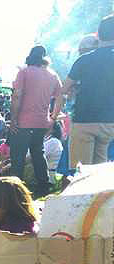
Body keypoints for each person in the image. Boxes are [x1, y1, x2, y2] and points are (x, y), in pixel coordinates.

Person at [53, 14, 114, 168]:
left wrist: (75, 90)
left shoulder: (84, 60)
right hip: (109, 122)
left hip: (84, 120)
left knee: (81, 171)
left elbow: (63, 89)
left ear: (98, 35)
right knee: (99, 170)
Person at [11, 45, 62, 193]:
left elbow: (17, 96)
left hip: (23, 120)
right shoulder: (53, 75)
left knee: (18, 156)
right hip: (42, 121)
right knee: (38, 153)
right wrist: (53, 118)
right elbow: (60, 97)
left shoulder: (24, 72)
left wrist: (13, 119)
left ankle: (14, 188)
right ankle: (43, 184)